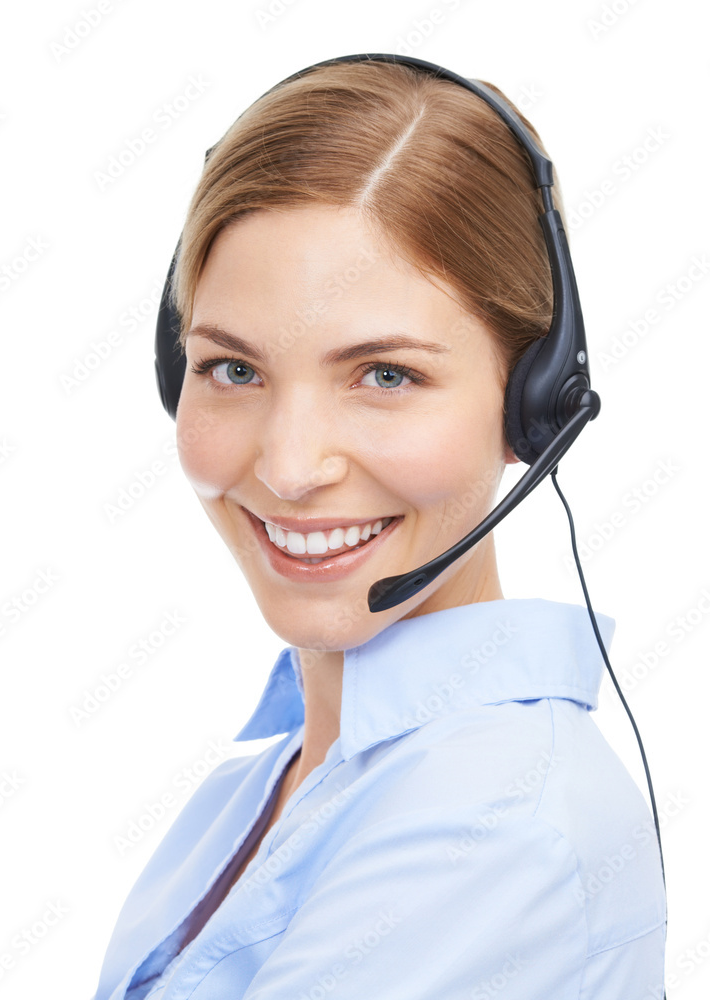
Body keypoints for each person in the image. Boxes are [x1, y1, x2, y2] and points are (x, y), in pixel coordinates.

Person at [91, 55, 667, 999]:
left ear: (534, 402)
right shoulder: (264, 785)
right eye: (233, 370)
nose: (287, 466)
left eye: (385, 376)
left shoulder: (497, 825)